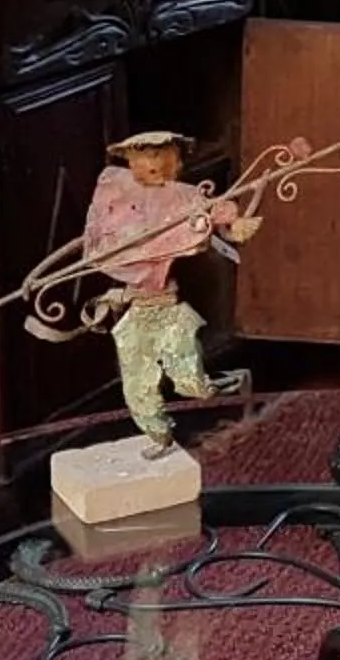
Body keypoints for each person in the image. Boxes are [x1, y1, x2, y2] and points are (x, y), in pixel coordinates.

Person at [60, 131, 254, 449]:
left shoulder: (187, 199)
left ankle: (232, 385)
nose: (153, 163)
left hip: (168, 308)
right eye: (144, 155)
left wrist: (227, 218)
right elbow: (101, 241)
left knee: (189, 380)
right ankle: (160, 438)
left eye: (160, 154)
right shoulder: (114, 192)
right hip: (135, 309)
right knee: (137, 386)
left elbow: (226, 233)